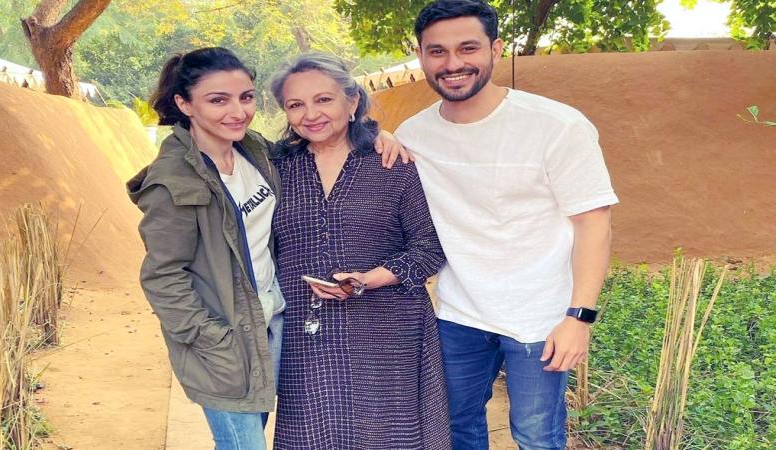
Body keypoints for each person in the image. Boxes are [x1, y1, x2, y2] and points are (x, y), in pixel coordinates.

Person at [126, 47, 407, 450]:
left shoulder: (252, 151)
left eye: (246, 97)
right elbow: (162, 275)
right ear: (183, 104)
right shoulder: (174, 180)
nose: (237, 111)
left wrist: (374, 132)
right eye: (218, 100)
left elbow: (325, 137)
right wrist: (211, 338)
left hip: (270, 325)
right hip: (225, 341)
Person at [394, 1, 619, 449]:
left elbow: (594, 223)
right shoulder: (411, 135)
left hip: (541, 317)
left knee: (536, 436)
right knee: (456, 429)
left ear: (496, 49)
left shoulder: (556, 126)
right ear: (421, 56)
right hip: (458, 312)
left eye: (468, 48)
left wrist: (579, 317)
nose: (452, 63)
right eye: (437, 51)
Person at [268, 53, 451, 450]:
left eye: (324, 100)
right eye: (295, 105)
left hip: (388, 335)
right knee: (311, 435)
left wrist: (368, 280)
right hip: (306, 334)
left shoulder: (392, 163)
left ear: (352, 103)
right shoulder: (275, 167)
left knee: (386, 436)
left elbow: (429, 246)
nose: (310, 114)